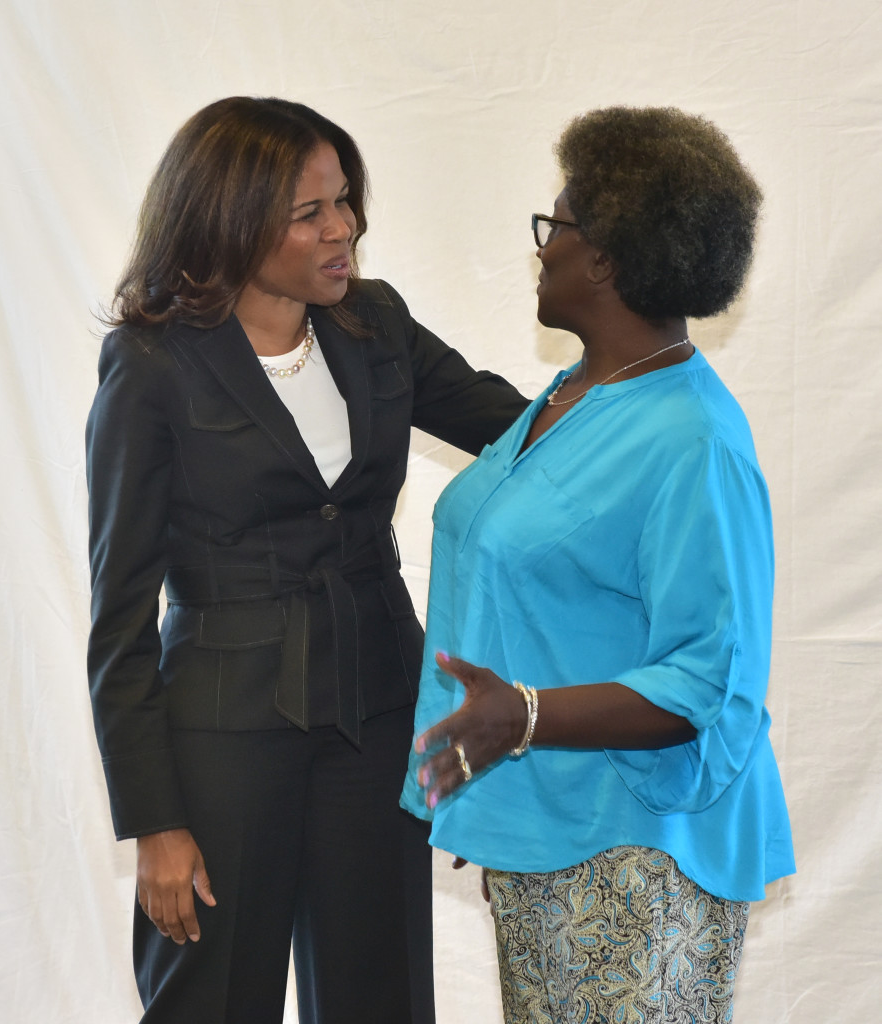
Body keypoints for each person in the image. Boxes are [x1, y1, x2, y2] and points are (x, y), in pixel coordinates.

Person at [85, 95, 527, 1024]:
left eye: (345, 201)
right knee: (212, 999)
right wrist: (155, 825)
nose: (344, 228)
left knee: (383, 992)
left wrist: (642, 387)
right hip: (221, 734)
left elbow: (514, 429)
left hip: (375, 716)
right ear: (235, 225)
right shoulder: (154, 363)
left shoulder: (374, 323)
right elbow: (117, 613)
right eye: (311, 213)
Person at [401, 106, 795, 1023]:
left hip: (641, 859)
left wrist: (521, 718)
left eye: (557, 227)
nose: (541, 249)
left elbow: (707, 678)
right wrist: (490, 753)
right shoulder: (573, 395)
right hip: (548, 832)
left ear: (606, 259)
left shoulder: (691, 439)